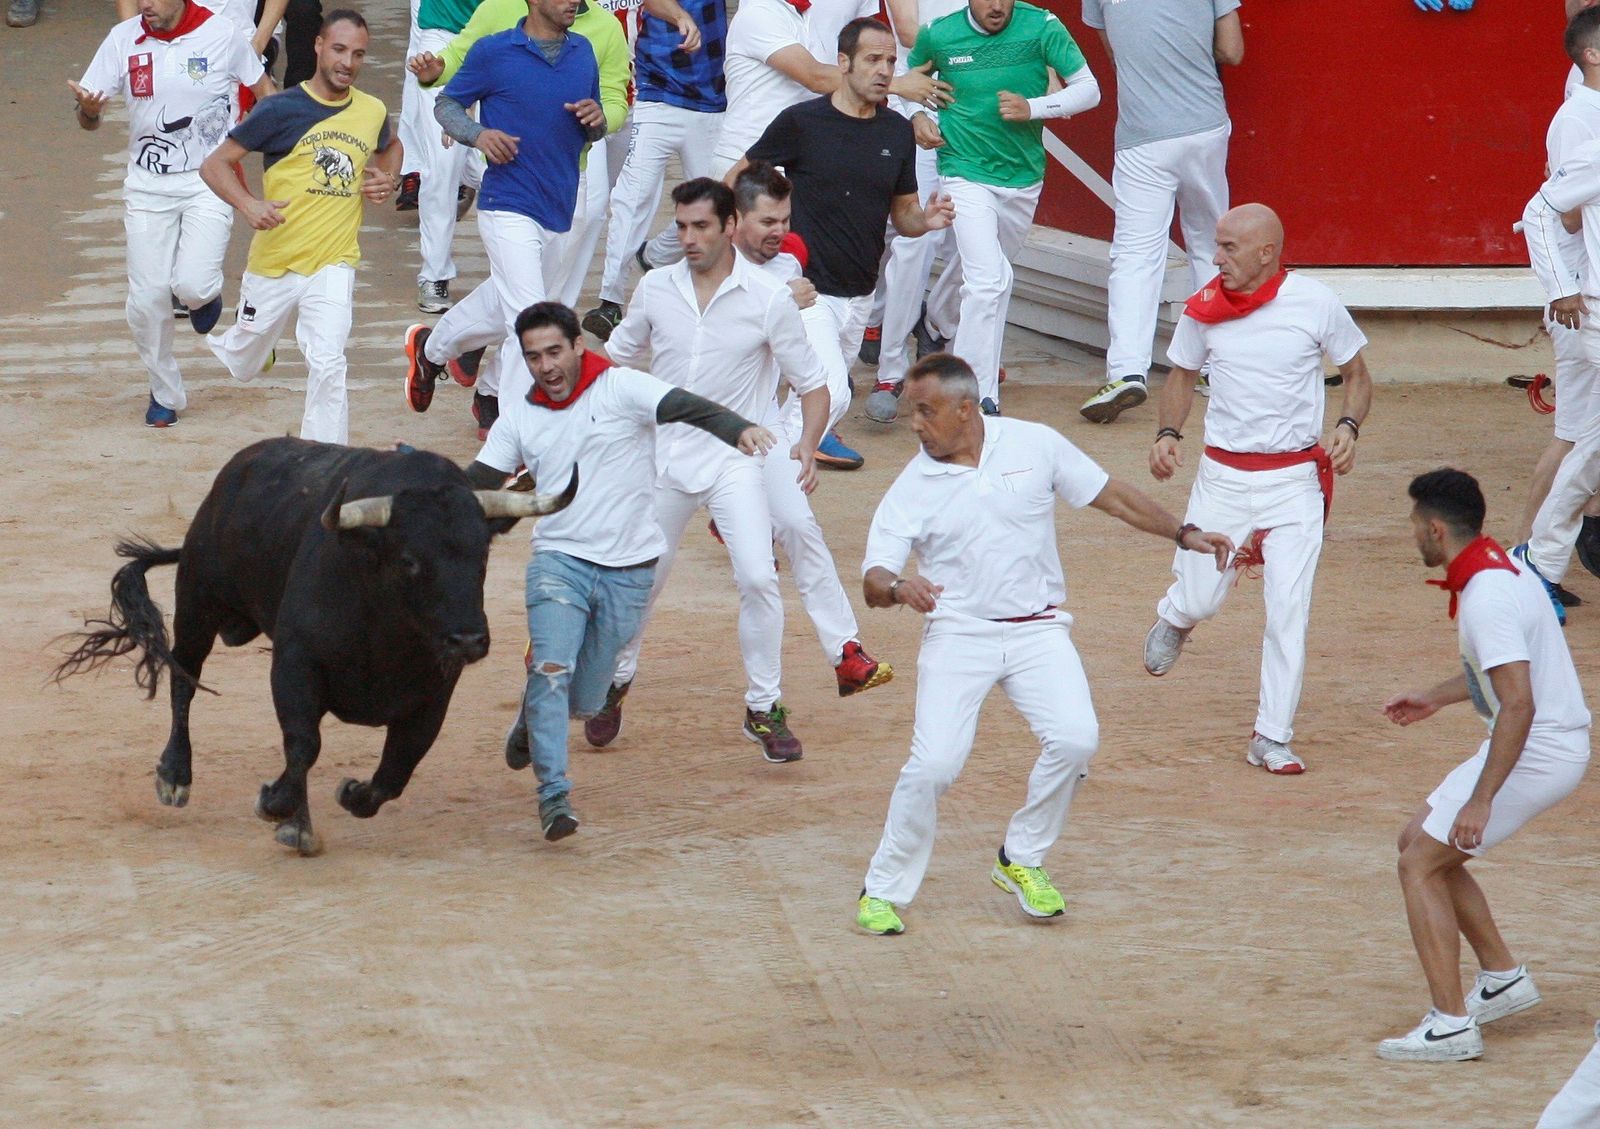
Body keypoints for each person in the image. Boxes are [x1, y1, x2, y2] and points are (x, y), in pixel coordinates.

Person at [853, 354, 1232, 935]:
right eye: (913, 412)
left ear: (965, 409)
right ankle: (881, 889)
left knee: (1077, 740)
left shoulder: (1035, 443)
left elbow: (1111, 495)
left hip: (1039, 630)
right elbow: (874, 578)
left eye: (926, 411)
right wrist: (900, 588)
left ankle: (1021, 857)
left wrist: (1184, 533)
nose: (915, 425)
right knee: (933, 766)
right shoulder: (913, 486)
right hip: (959, 634)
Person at [465, 302, 777, 841]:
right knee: (551, 670)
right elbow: (478, 481)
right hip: (558, 561)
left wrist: (738, 429)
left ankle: (532, 718)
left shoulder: (620, 387)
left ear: (577, 346)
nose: (546, 366)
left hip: (629, 570)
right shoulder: (519, 416)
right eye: (534, 357)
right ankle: (554, 796)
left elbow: (683, 405)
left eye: (554, 352)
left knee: (587, 699)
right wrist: (418, 484)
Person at [591, 179, 829, 761]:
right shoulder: (656, 287)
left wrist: (807, 443)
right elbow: (614, 362)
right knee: (641, 583)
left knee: (758, 578)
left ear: (729, 227)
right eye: (681, 226)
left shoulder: (769, 298)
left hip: (734, 460)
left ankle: (763, 706)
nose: (688, 238)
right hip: (662, 459)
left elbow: (813, 383)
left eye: (700, 226)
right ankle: (616, 678)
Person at [1143, 204, 1372, 775]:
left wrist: (1348, 426)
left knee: (1288, 611)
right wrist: (1168, 433)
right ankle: (1179, 613)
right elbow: (1181, 374)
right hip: (1222, 477)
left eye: (1229, 247)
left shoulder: (1315, 302)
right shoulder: (1204, 308)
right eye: (1217, 246)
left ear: (1267, 252)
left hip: (1295, 481)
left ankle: (1271, 735)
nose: (1216, 257)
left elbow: (1357, 374)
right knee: (1202, 597)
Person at [1376, 469, 1590, 1062]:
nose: (1412, 533)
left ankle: (1451, 1025)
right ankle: (1501, 977)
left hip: (1538, 749)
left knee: (1420, 863)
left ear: (1436, 530)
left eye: (1415, 523)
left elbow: (1518, 703)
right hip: (1537, 740)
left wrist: (1481, 799)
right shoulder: (1502, 566)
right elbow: (1502, 672)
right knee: (1417, 840)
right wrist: (1435, 697)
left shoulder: (1486, 596)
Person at [732, 16, 957, 470]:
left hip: (861, 295)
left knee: (814, 400)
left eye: (890, 61)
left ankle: (765, 473)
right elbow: (736, 180)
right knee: (830, 392)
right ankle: (760, 476)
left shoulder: (897, 131)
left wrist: (927, 221)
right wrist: (746, 252)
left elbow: (904, 214)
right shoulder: (802, 122)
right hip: (809, 290)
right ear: (843, 62)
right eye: (872, 59)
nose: (884, 70)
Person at [404, 0, 624, 437]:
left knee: (501, 301)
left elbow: (596, 124)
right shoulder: (494, 50)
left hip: (562, 206)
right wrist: (478, 135)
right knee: (532, 320)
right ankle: (520, 439)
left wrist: (598, 120)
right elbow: (447, 105)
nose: (574, 1)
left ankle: (431, 349)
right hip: (506, 204)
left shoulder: (584, 52)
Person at [727, 161, 897, 700]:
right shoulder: (704, 270)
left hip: (762, 429)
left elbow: (811, 378)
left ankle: (846, 651)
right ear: (734, 220)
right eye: (767, 221)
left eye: (784, 220)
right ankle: (596, 656)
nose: (779, 231)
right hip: (691, 433)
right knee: (648, 556)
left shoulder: (789, 272)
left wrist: (806, 440)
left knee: (800, 527)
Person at [200, 9, 400, 444]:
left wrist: (388, 177)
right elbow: (214, 164)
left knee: (328, 363)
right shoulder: (279, 109)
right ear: (318, 46)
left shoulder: (371, 111)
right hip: (274, 262)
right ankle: (260, 347)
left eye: (358, 54)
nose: (347, 63)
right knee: (244, 364)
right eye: (339, 50)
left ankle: (324, 459)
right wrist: (248, 204)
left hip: (334, 261)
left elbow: (390, 145)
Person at [73, 0, 272, 428]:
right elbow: (88, 120)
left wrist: (259, 146)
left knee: (192, 285)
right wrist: (89, 110)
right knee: (146, 301)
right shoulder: (123, 40)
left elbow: (266, 94)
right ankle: (164, 392)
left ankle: (203, 296)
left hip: (209, 179)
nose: (145, 4)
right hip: (147, 185)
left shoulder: (222, 34)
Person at [906, 0, 1100, 414]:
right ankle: (975, 394)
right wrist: (917, 115)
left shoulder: (1042, 25)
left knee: (991, 271)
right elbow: (911, 79)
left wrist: (1034, 107)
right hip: (962, 167)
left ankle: (936, 321)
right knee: (988, 281)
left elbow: (1089, 89)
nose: (996, 6)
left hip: (1023, 176)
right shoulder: (939, 33)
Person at [1076, 0, 1243, 425]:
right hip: (1204, 124)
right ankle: (1216, 365)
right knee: (1210, 246)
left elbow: (1116, 51)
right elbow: (1232, 50)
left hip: (1141, 135)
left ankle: (1126, 371)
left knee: (1135, 255)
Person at [582, 0, 729, 341]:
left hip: (712, 102)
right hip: (655, 95)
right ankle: (610, 302)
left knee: (714, 207)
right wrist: (680, 16)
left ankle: (658, 255)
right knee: (632, 198)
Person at [1520, 9, 1600, 621]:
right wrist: (1562, 287)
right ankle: (1537, 560)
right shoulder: (1582, 123)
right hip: (1590, 303)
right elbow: (1549, 211)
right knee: (1583, 438)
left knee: (1588, 439)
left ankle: (1538, 561)